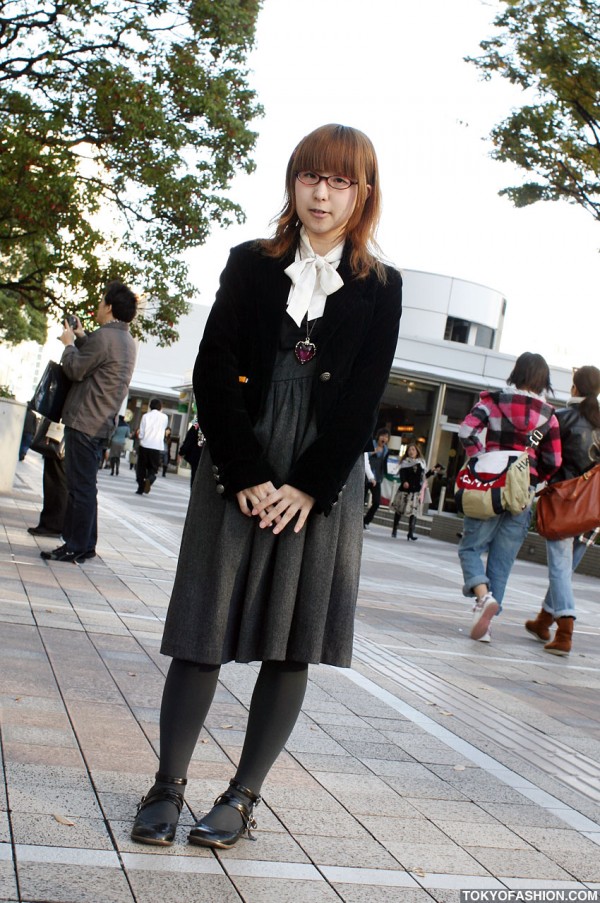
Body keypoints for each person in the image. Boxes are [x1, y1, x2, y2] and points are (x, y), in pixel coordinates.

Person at [130, 123, 403, 850]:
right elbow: (212, 368)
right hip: (238, 468)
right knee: (202, 628)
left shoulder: (381, 287)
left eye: (341, 180)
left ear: (362, 193)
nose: (322, 192)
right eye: (311, 176)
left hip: (319, 483)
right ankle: (167, 783)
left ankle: (243, 796)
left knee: (291, 641)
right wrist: (245, 472)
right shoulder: (250, 264)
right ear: (293, 182)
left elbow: (361, 400)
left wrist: (309, 487)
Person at [457, 352, 561, 643]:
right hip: (521, 493)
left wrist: (481, 457)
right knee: (502, 561)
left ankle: (482, 597)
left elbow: (466, 431)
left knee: (470, 549)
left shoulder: (492, 402)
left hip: (488, 485)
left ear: (517, 372)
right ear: (543, 379)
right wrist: (531, 481)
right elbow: (554, 460)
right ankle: (486, 625)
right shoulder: (548, 416)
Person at [40, 282, 137, 563]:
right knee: (85, 487)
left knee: (79, 488)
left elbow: (75, 368)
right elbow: (97, 357)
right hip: (100, 423)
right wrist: (82, 336)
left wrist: (69, 344)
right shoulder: (125, 340)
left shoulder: (104, 337)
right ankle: (84, 544)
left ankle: (75, 545)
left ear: (109, 306)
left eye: (100, 301)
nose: (97, 306)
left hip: (84, 420)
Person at [525, 365, 600, 656]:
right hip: (593, 508)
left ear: (575, 388)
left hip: (565, 504)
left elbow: (538, 449)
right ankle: (543, 620)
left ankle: (565, 631)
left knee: (559, 569)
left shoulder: (560, 417)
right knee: (564, 571)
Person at [390, 443, 426, 539]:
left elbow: (423, 476)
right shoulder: (405, 462)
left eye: (413, 450)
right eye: (409, 450)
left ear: (417, 451)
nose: (411, 452)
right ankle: (394, 529)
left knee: (413, 512)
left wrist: (433, 471)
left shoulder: (421, 463)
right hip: (405, 490)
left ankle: (410, 533)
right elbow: (402, 474)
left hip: (415, 491)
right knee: (399, 510)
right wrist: (404, 481)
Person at [135, 399, 169, 494]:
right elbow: (163, 429)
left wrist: (141, 437)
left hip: (145, 445)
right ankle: (150, 478)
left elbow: (141, 433)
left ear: (150, 406)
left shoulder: (145, 416)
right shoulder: (164, 417)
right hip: (157, 446)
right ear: (160, 407)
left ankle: (140, 488)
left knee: (141, 468)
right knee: (153, 468)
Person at [363, 428, 390, 528]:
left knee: (377, 502)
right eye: (382, 436)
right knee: (362, 501)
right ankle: (357, 521)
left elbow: (384, 464)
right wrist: (374, 451)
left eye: (386, 437)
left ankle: (365, 521)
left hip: (377, 478)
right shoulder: (371, 444)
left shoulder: (386, 449)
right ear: (378, 436)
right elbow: (365, 457)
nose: (384, 438)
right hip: (366, 477)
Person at [178, 420, 204, 486]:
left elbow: (190, 438)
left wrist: (181, 452)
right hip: (211, 459)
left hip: (197, 456)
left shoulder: (197, 422)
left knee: (195, 478)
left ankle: (194, 494)